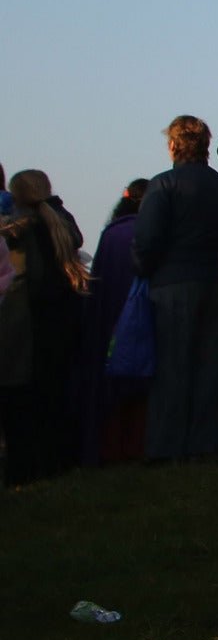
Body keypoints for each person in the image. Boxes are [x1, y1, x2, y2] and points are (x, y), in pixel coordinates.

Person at [132, 116, 218, 462]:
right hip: (217, 284)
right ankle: (203, 444)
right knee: (209, 368)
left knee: (172, 367)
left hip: (172, 283)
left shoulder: (163, 186)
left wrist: (143, 269)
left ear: (174, 145)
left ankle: (166, 447)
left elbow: (147, 239)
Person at [0, 169, 89, 483]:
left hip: (33, 321)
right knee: (60, 394)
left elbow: (32, 281)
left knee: (28, 398)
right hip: (64, 316)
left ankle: (31, 465)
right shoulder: (59, 220)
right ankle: (62, 459)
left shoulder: (23, 229)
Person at [76, 179, 152, 465]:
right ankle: (136, 447)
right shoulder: (148, 233)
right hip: (146, 318)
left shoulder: (112, 234)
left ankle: (110, 449)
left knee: (111, 391)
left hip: (111, 320)